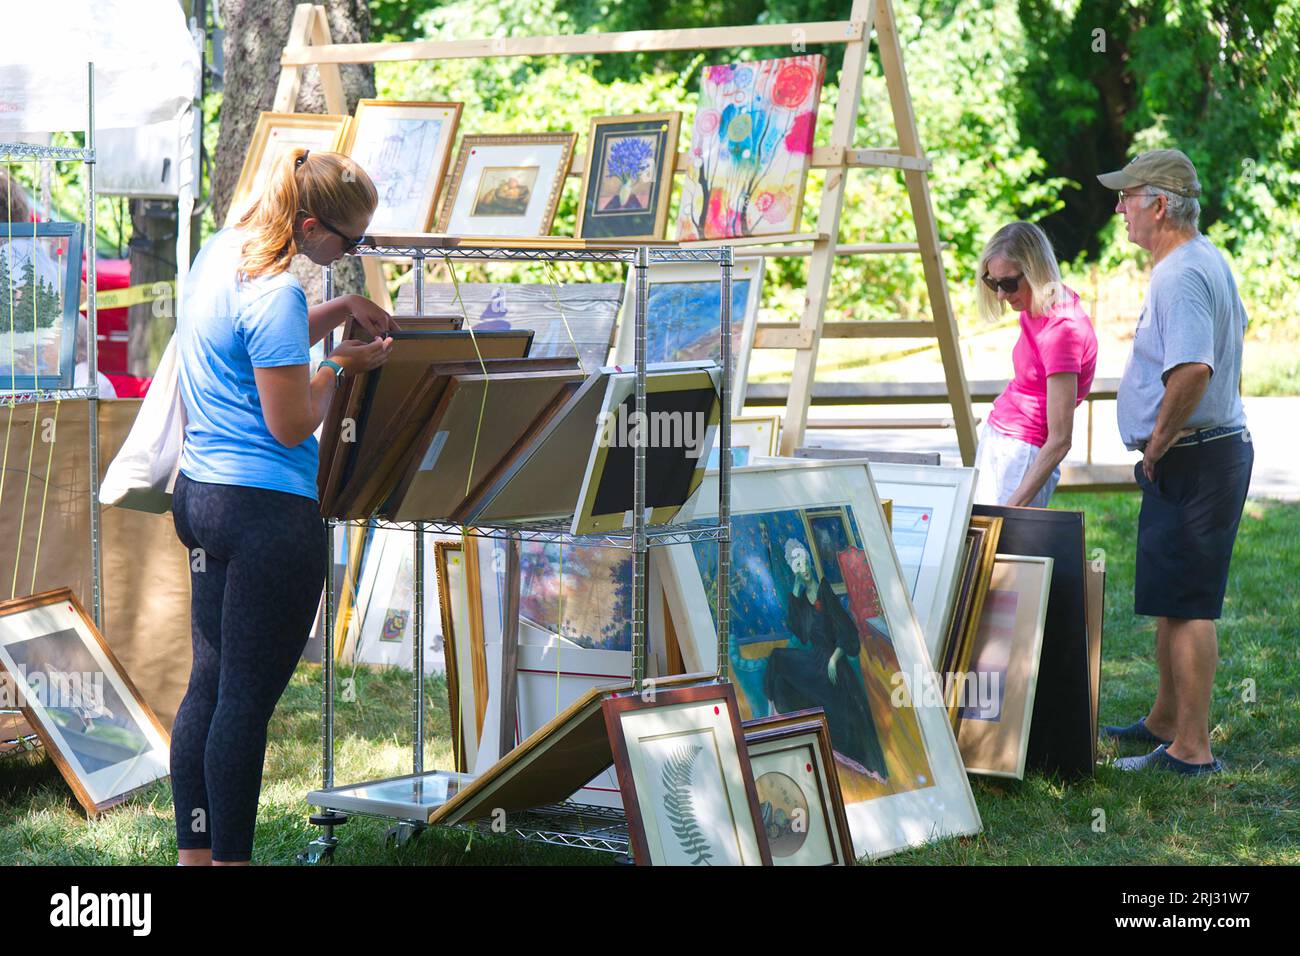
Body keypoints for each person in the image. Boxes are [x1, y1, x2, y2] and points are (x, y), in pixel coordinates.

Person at [171, 147, 396, 864]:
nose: (353, 252)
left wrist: (339, 309)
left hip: (202, 498)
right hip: (267, 513)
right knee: (245, 702)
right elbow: (292, 422)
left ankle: (196, 856)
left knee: (208, 685)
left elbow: (256, 346)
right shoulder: (276, 290)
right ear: (308, 224)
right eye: (349, 241)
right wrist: (340, 363)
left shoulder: (220, 254)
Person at [1097, 149, 1252, 776]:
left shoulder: (1180, 273)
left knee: (1189, 604)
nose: (1118, 209)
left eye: (1127, 197)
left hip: (1195, 456)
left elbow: (1193, 368)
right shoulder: (1201, 257)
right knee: (1172, 597)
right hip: (1199, 454)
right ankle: (1165, 721)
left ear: (1158, 205)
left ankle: (1191, 750)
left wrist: (1156, 443)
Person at [972, 221, 1098, 508]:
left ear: (1035, 271)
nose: (1001, 295)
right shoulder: (1037, 303)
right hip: (1002, 436)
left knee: (1002, 546)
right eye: (992, 283)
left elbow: (1060, 440)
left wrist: (1012, 509)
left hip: (1023, 453)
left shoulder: (1062, 330)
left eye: (1008, 283)